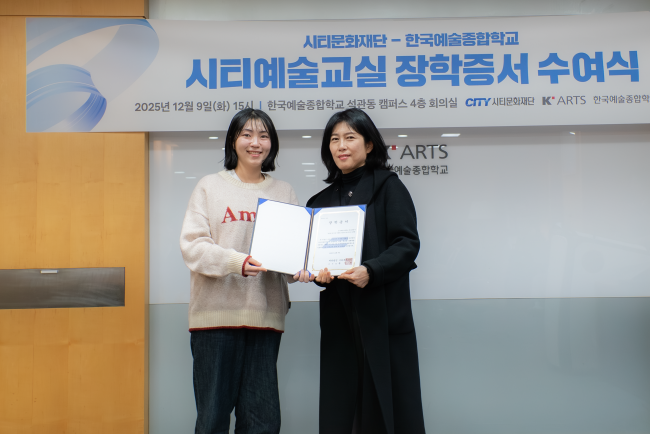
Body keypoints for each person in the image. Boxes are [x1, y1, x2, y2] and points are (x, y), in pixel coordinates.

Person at [180, 108, 300, 434]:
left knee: (262, 423)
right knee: (212, 421)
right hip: (214, 320)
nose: (255, 142)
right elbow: (193, 247)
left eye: (263, 135)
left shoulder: (284, 192)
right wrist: (238, 262)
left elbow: (291, 256)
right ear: (233, 141)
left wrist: (304, 267)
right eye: (247, 134)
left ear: (272, 144)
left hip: (265, 318)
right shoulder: (209, 187)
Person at [306, 108, 426, 434]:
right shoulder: (319, 201)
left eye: (350, 137)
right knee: (342, 403)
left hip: (382, 314)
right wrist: (316, 274)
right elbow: (311, 260)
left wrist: (371, 270)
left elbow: (407, 244)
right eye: (334, 139)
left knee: (388, 404)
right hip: (340, 318)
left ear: (369, 144)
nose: (341, 146)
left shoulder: (389, 187)